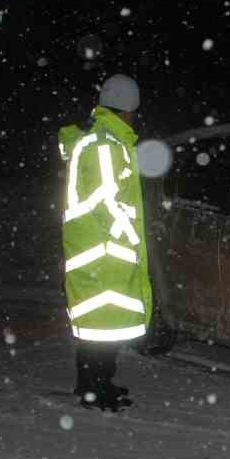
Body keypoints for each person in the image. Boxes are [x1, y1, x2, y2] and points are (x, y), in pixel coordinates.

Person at [57, 73, 153, 410]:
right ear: (127, 108)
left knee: (101, 327)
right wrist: (129, 236)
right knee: (99, 327)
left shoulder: (105, 141)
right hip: (102, 251)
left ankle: (97, 384)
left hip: (97, 250)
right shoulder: (104, 145)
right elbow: (105, 201)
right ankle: (92, 389)